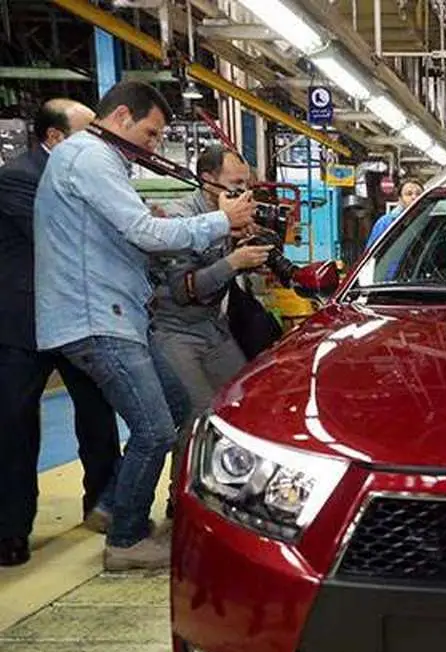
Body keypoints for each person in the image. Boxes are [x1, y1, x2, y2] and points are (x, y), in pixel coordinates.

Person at [34, 80, 257, 571]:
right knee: (155, 429)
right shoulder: (89, 157)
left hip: (121, 314)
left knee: (176, 405)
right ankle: (126, 540)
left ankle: (114, 505)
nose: (153, 146)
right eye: (151, 134)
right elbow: (144, 233)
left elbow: (127, 232)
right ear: (120, 118)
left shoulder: (96, 161)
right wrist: (220, 222)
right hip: (98, 315)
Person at [0, 98, 121, 567]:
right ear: (54, 137)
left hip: (75, 317)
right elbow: (60, 236)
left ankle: (104, 505)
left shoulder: (86, 177)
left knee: (98, 414)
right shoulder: (19, 178)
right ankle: (12, 529)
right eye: (87, 133)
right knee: (15, 425)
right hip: (24, 325)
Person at [149, 146, 273, 421]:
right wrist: (234, 262)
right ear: (207, 180)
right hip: (176, 332)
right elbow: (184, 290)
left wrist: (252, 256)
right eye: (236, 184)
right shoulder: (179, 219)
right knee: (198, 417)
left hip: (214, 326)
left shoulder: (234, 218)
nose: (244, 193)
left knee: (244, 404)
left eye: (247, 184)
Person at [365, 178, 422, 248]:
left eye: (418, 194)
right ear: (400, 198)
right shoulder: (386, 222)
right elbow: (372, 249)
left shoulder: (427, 219)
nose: (414, 197)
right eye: (409, 194)